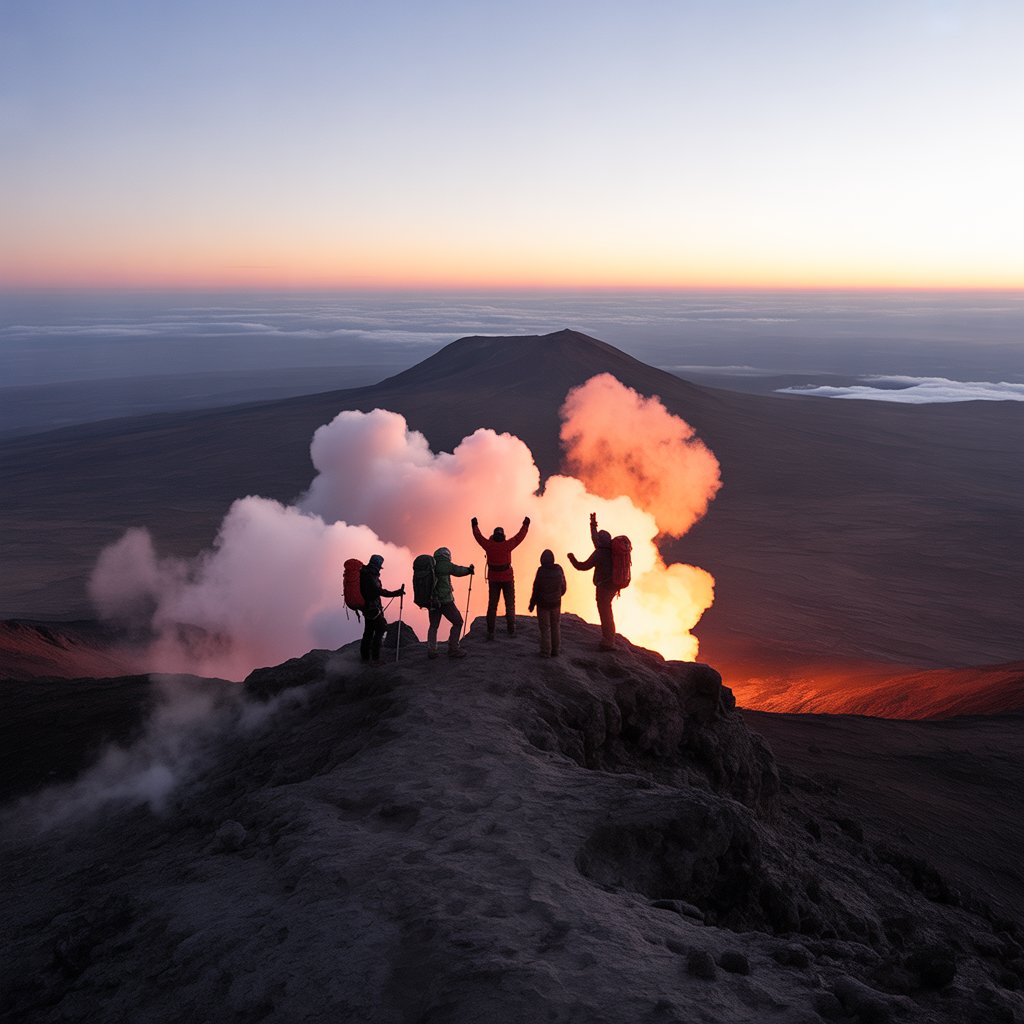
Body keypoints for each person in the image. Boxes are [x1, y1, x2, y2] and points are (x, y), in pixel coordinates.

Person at [471, 515, 530, 639]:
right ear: (503, 536)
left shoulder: (488, 545)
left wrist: (474, 525)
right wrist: (525, 525)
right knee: (510, 604)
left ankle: (491, 632)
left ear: (494, 535)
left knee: (492, 605)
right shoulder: (508, 545)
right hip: (507, 578)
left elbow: (478, 537)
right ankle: (511, 630)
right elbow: (520, 536)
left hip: (493, 578)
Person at [568, 512, 616, 651]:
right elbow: (595, 538)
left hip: (604, 588)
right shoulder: (611, 549)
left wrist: (572, 559)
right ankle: (609, 638)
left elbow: (582, 566)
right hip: (613, 586)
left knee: (605, 612)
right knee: (607, 610)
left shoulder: (599, 553)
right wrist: (593, 523)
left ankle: (608, 641)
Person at [428, 547, 474, 660]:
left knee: (433, 626)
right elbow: (457, 570)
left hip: (432, 601)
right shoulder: (444, 564)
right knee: (458, 622)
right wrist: (469, 570)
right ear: (446, 555)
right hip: (445, 601)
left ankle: (432, 650)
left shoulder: (431, 565)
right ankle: (453, 649)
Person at [359, 554, 405, 664]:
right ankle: (375, 658)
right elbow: (378, 591)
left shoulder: (365, 573)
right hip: (373, 608)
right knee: (380, 629)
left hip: (367, 607)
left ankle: (365, 657)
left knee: (369, 632)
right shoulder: (370, 575)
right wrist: (396, 593)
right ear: (378, 565)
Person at [528, 549, 566, 657]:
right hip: (556, 603)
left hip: (543, 605)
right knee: (555, 626)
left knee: (545, 628)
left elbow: (536, 589)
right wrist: (558, 595)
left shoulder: (541, 571)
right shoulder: (559, 569)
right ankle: (556, 650)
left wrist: (532, 604)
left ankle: (545, 652)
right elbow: (563, 587)